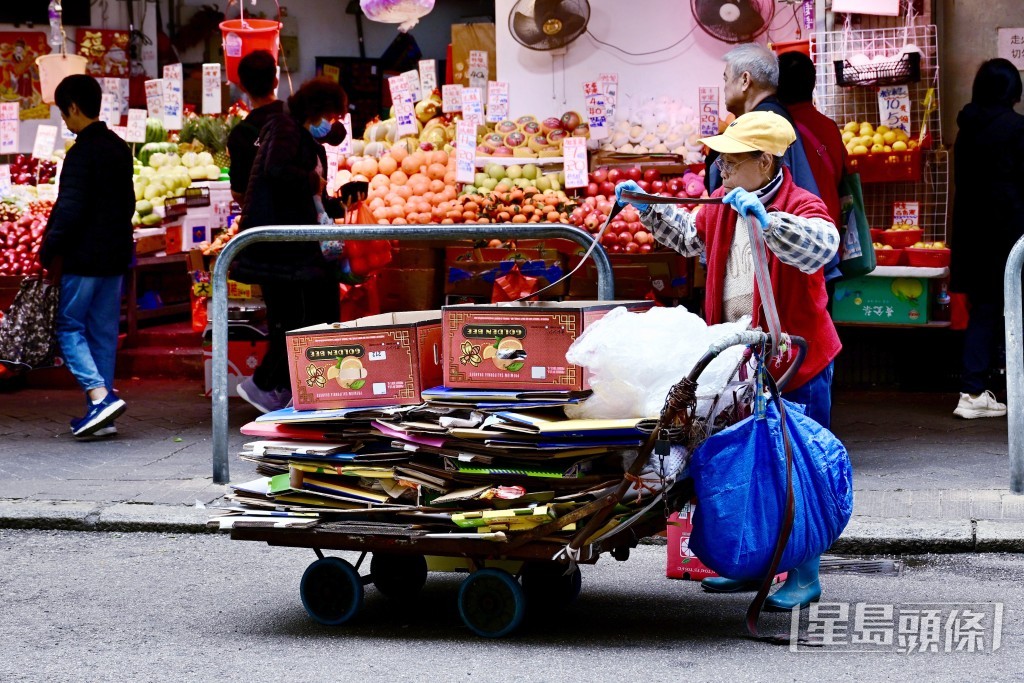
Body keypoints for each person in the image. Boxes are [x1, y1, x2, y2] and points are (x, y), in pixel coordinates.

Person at [616, 110, 841, 611]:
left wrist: (770, 222)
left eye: (732, 160)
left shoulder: (801, 206)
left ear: (765, 162)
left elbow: (821, 247)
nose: (720, 167)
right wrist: (645, 206)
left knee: (795, 469)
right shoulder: (719, 205)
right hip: (740, 362)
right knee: (749, 466)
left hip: (794, 363)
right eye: (720, 158)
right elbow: (687, 235)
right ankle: (755, 564)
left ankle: (805, 574)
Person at [232, 77, 349, 414]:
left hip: (294, 246)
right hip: (280, 247)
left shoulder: (304, 138)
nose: (332, 124)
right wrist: (313, 182)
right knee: (296, 319)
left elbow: (311, 195)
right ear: (314, 111)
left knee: (309, 315)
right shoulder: (284, 128)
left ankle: (287, 387)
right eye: (331, 115)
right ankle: (266, 385)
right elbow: (277, 169)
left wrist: (336, 203)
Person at [39, 74, 134, 437]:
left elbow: (69, 210)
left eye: (64, 112)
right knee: (103, 333)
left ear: (75, 107)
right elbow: (129, 203)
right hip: (114, 257)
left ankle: (99, 397)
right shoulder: (118, 147)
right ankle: (102, 412)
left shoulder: (80, 154)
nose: (64, 120)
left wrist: (50, 249)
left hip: (83, 258)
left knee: (69, 327)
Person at [706, 43, 841, 284]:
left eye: (726, 78)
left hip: (781, 266)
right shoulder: (774, 119)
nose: (724, 87)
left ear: (745, 80)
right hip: (788, 257)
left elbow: (778, 197)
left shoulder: (765, 127)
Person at [949, 59, 1023, 419]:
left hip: (973, 234)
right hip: (1010, 236)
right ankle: (981, 390)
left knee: (985, 311)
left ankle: (974, 389)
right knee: (1009, 310)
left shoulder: (967, 129)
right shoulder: (1015, 128)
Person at [777, 50, 846, 229]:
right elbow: (840, 176)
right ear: (813, 84)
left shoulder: (778, 129)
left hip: (797, 232)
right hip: (830, 226)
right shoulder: (830, 127)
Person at [227, 50, 283, 206]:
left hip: (262, 224)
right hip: (301, 221)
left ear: (242, 87)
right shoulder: (298, 117)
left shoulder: (240, 134)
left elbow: (238, 192)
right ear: (275, 81)